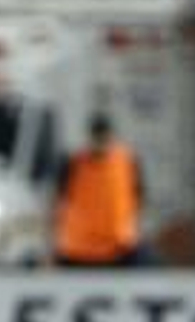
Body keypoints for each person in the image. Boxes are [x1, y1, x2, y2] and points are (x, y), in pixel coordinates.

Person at [52, 114, 146, 267]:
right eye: (98, 137)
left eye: (104, 137)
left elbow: (138, 198)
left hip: (118, 247)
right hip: (78, 249)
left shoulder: (127, 162)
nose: (101, 142)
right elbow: (59, 201)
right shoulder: (74, 163)